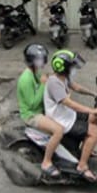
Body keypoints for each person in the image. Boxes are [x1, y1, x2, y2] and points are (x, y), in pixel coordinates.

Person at [44, 49, 97, 182]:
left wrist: (94, 93)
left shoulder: (63, 77)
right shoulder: (54, 83)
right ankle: (82, 166)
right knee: (95, 131)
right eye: (72, 66)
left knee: (94, 118)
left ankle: (85, 149)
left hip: (67, 114)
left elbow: (76, 87)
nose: (74, 69)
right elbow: (69, 103)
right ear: (63, 67)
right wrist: (90, 110)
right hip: (59, 120)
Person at [16, 43, 63, 178]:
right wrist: (43, 84)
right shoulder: (26, 78)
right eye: (39, 59)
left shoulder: (35, 72)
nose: (42, 62)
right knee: (58, 131)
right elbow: (32, 103)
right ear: (31, 61)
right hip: (31, 115)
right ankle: (46, 162)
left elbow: (45, 81)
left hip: (40, 110)